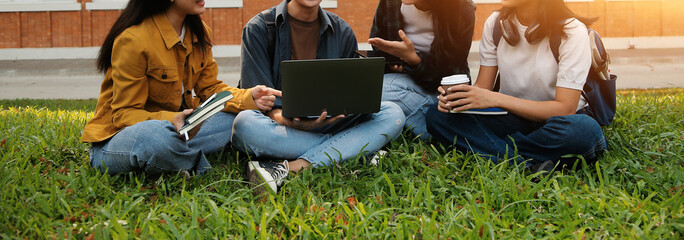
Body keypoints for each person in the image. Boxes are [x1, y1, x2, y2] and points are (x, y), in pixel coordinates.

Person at [81, 0, 280, 177]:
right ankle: (194, 167)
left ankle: (173, 160)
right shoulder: (133, 40)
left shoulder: (199, 32)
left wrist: (249, 97)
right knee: (156, 137)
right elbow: (123, 115)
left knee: (239, 117)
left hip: (182, 131)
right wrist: (171, 120)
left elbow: (210, 88)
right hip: (123, 138)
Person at [234, 0, 405, 194]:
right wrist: (292, 123)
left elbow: (350, 94)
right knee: (244, 124)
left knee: (393, 113)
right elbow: (260, 105)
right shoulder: (258, 29)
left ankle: (291, 167)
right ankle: (356, 149)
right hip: (285, 128)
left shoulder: (342, 31)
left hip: (336, 122)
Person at [426, 0, 606, 169]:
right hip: (511, 117)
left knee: (585, 131)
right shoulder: (496, 23)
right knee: (437, 115)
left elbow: (565, 108)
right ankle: (526, 163)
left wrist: (496, 99)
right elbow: (483, 87)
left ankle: (494, 150)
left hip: (557, 121)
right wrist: (459, 98)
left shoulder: (572, 30)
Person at [368, 0, 476, 139]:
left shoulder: (461, 9)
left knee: (383, 89)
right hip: (403, 83)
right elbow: (378, 43)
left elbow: (447, 72)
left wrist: (413, 60)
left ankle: (444, 132)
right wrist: (394, 62)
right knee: (371, 89)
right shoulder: (390, 2)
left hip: (442, 92)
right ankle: (441, 127)